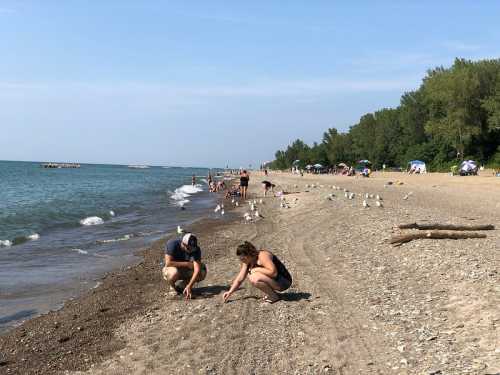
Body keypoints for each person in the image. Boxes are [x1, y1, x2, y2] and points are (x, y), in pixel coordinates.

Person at [222, 241, 292, 304]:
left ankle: (274, 296)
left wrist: (257, 269)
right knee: (253, 275)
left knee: (254, 277)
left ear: (249, 255)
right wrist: (230, 292)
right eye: (241, 259)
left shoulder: (262, 256)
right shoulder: (248, 261)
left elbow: (274, 273)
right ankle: (273, 295)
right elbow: (240, 278)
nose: (242, 261)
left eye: (243, 259)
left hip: (284, 282)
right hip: (275, 282)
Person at [162, 233, 207, 299]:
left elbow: (197, 269)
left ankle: (182, 286)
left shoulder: (196, 249)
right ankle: (173, 288)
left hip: (184, 270)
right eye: (189, 249)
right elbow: (168, 263)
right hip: (171, 269)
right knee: (174, 273)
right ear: (183, 244)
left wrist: (190, 286)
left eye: (193, 249)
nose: (191, 251)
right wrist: (187, 264)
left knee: (202, 271)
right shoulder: (172, 244)